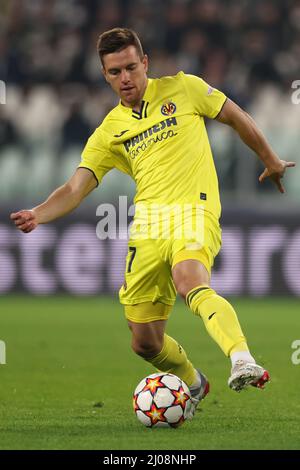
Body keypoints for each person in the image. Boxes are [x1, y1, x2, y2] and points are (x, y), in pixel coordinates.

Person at [11, 28, 295, 421]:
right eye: (114, 72)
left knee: (191, 281)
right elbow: (76, 186)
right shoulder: (110, 130)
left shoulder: (185, 88)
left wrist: (270, 159)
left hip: (194, 212)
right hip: (147, 226)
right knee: (144, 342)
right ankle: (193, 381)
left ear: (145, 64)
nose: (125, 78)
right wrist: (38, 213)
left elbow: (235, 116)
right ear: (105, 75)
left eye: (131, 67)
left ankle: (242, 358)